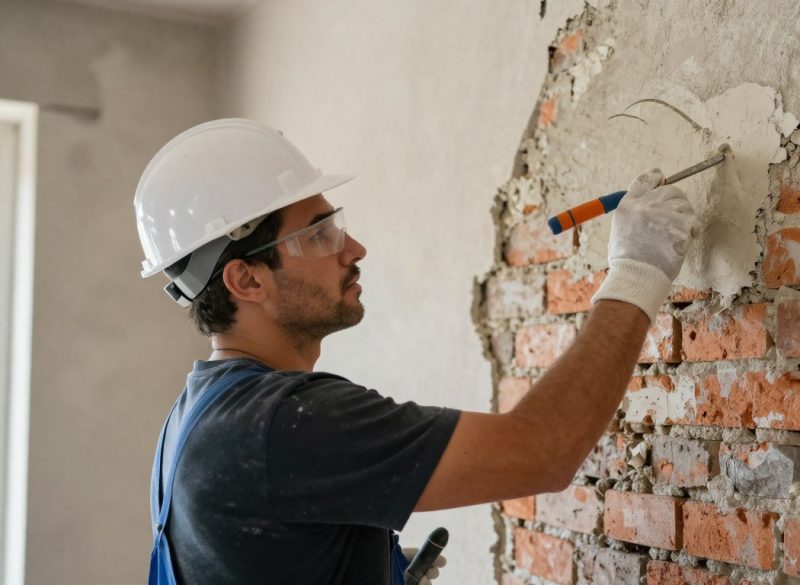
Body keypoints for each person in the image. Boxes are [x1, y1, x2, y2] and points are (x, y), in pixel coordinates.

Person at [136, 119, 697, 585]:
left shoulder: (192, 417)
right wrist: (636, 271)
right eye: (317, 235)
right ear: (246, 280)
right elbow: (541, 452)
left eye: (337, 226)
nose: (353, 249)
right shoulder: (281, 422)